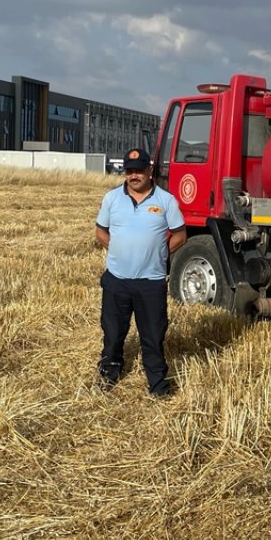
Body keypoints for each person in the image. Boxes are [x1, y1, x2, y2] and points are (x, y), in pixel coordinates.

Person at [94, 148, 187, 397]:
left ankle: (158, 385)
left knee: (153, 336)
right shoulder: (112, 198)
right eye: (130, 171)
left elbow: (180, 234)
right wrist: (115, 248)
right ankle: (108, 375)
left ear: (149, 170)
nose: (134, 175)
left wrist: (161, 254)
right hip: (117, 281)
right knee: (113, 333)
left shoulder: (166, 201)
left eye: (139, 170)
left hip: (151, 282)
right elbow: (100, 231)